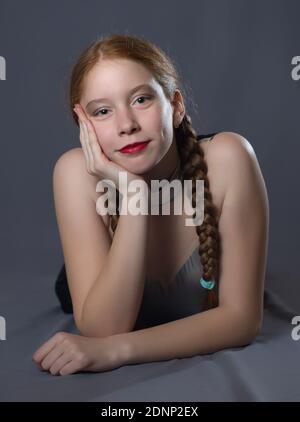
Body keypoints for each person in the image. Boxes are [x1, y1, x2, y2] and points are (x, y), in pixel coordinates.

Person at [32, 34, 269, 376]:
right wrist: (133, 198)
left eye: (141, 99)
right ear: (83, 125)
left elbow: (242, 320)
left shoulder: (230, 158)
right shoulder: (74, 173)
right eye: (102, 111)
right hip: (93, 279)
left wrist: (119, 350)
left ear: (175, 106)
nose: (126, 124)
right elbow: (102, 328)